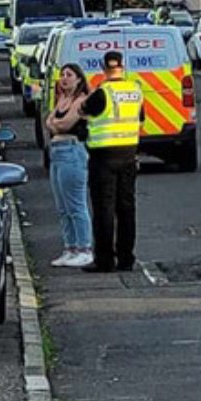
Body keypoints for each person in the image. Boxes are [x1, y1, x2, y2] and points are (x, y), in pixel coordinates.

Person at [79, 50, 143, 272]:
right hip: (128, 155)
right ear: (123, 67)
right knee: (126, 209)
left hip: (103, 158)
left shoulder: (102, 93)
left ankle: (105, 260)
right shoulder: (135, 90)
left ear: (104, 68)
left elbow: (82, 111)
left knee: (104, 210)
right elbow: (140, 118)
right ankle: (126, 259)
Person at [44, 64, 94, 268]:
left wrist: (55, 125)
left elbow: (64, 124)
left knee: (76, 204)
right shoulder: (62, 99)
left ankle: (84, 249)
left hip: (72, 152)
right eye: (62, 75)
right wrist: (55, 124)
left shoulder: (81, 100)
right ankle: (70, 248)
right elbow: (49, 121)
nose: (64, 78)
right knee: (62, 207)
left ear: (79, 79)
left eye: (69, 75)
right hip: (56, 152)